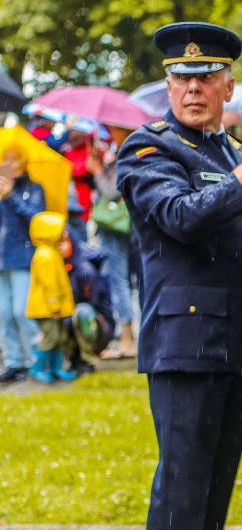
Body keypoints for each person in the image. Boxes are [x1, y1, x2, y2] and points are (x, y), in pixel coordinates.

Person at [116, 22, 242, 530]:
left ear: (228, 86)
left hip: (237, 348)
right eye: (181, 78)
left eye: (206, 77)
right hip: (185, 347)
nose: (193, 89)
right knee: (182, 494)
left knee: (214, 493)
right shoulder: (149, 149)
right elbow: (180, 218)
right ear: (169, 85)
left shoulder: (233, 152)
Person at [0, 143, 44, 383]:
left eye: (14, 159)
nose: (10, 165)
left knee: (22, 311)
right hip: (2, 259)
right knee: (4, 314)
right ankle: (13, 361)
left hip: (23, 258)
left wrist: (11, 197)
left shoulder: (33, 189)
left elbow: (36, 219)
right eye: (5, 159)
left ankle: (35, 360)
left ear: (24, 162)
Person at [93, 127, 138, 359]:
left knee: (118, 281)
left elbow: (112, 192)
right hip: (125, 227)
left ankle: (127, 339)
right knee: (125, 282)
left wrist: (98, 171)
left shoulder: (126, 152)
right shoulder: (125, 152)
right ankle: (127, 336)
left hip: (116, 229)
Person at [25, 211, 76, 383]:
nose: (65, 234)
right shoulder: (45, 256)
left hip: (55, 308)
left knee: (60, 337)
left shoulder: (52, 253)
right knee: (50, 337)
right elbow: (50, 286)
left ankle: (56, 368)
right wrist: (55, 306)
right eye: (61, 230)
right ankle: (36, 368)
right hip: (47, 309)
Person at [63, 222, 116, 375]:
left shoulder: (85, 270)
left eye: (64, 242)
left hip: (99, 325)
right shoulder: (57, 267)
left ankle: (85, 357)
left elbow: (92, 304)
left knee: (81, 312)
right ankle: (70, 359)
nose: (60, 247)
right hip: (70, 318)